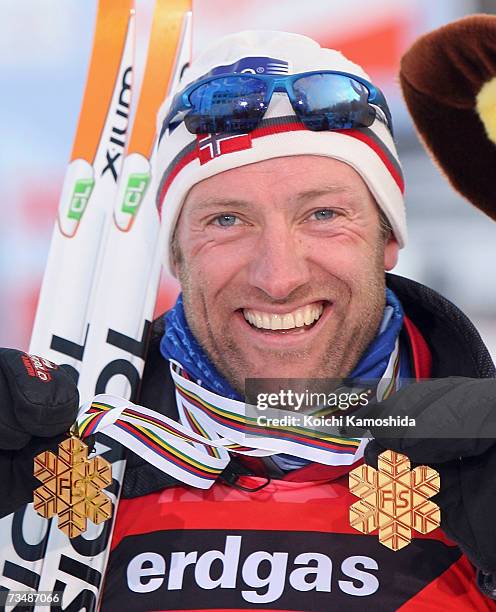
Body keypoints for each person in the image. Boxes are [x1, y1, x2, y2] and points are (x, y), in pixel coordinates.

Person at [2, 28, 496, 611]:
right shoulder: (58, 451)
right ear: (177, 253)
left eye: (323, 213)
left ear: (388, 236)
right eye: (227, 221)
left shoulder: (475, 460)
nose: (278, 277)